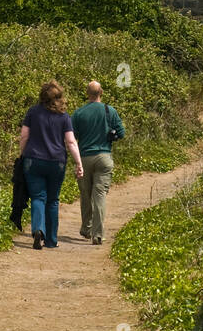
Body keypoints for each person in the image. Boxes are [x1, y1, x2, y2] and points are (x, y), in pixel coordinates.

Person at [19, 80, 84, 250]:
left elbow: (24, 135)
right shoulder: (64, 116)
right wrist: (79, 163)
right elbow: (70, 141)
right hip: (57, 162)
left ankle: (38, 229)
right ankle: (51, 239)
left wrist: (22, 154)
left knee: (38, 197)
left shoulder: (33, 112)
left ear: (42, 96)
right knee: (53, 200)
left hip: (34, 160)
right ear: (59, 97)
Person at [71, 80, 125, 246]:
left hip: (85, 157)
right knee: (99, 196)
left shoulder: (79, 113)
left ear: (87, 93)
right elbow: (121, 133)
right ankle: (98, 234)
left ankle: (86, 228)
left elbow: (72, 136)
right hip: (104, 157)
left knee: (85, 194)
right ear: (101, 92)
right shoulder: (110, 111)